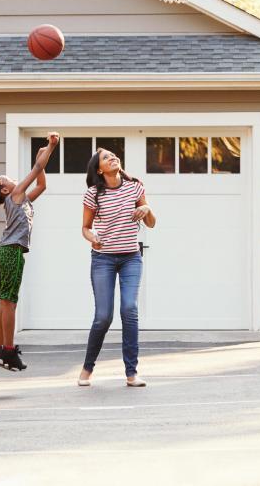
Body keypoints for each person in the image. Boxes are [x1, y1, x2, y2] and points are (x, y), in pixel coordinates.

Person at [0, 132, 59, 371]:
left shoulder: (22, 199)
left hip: (2, 252)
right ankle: (8, 351)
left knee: (4, 302)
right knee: (9, 303)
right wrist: (50, 148)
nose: (11, 179)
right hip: (10, 253)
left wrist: (41, 155)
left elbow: (42, 184)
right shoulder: (17, 194)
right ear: (5, 190)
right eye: (5, 179)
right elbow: (38, 168)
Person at [78, 148, 156, 388]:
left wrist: (147, 209)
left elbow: (151, 223)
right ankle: (87, 367)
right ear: (99, 169)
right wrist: (92, 238)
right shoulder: (93, 194)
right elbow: (85, 227)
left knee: (129, 310)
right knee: (103, 317)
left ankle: (132, 373)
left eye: (113, 155)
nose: (112, 158)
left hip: (131, 257)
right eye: (105, 157)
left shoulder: (135, 187)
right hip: (103, 259)